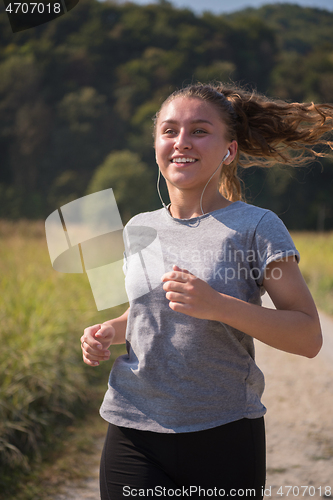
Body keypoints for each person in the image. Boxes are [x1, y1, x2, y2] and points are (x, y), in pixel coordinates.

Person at [80, 83, 333, 499]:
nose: (182, 142)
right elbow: (146, 314)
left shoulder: (256, 226)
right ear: (157, 144)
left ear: (229, 150)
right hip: (132, 427)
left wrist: (218, 305)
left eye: (199, 131)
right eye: (169, 130)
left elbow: (308, 336)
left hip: (225, 433)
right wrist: (109, 329)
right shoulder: (137, 227)